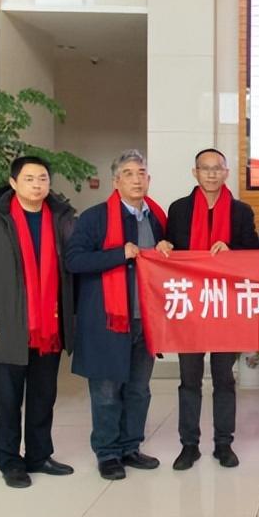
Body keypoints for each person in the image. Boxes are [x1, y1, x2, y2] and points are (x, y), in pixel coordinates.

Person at [0, 156, 76, 488]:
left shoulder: (61, 217)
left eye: (42, 178)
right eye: (29, 179)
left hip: (50, 326)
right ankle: (10, 461)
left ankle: (39, 455)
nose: (37, 185)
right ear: (13, 183)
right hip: (7, 325)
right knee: (9, 399)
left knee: (43, 396)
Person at [67, 150, 166, 481]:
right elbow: (74, 260)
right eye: (128, 173)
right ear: (115, 181)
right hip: (107, 320)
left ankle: (130, 447)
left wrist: (167, 248)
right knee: (107, 391)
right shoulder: (95, 218)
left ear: (149, 179)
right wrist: (117, 254)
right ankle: (107, 453)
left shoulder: (156, 217)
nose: (137, 179)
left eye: (141, 173)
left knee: (139, 389)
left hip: (145, 320)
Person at [159, 149, 259, 471]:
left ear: (226, 173)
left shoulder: (241, 211)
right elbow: (168, 248)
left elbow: (255, 252)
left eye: (218, 168)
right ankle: (189, 445)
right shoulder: (179, 209)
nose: (212, 174)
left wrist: (232, 250)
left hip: (225, 306)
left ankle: (223, 443)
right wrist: (164, 246)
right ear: (195, 172)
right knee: (189, 379)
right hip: (190, 308)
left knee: (223, 379)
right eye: (206, 168)